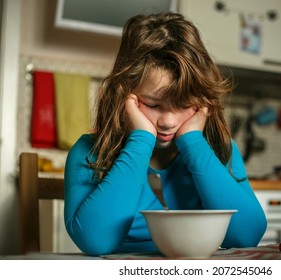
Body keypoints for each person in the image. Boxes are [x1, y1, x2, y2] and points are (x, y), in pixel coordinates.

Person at [64, 12, 267, 256]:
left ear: (203, 102)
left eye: (184, 105)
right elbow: (96, 242)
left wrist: (193, 142)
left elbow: (246, 236)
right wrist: (141, 140)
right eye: (151, 104)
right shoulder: (88, 152)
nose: (168, 121)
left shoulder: (219, 147)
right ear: (124, 96)